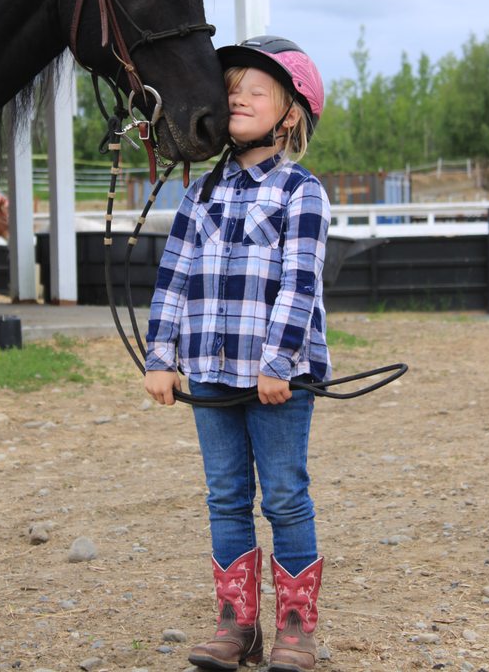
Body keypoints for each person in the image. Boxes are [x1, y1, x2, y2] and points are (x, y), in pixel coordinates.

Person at [144, 35, 330, 672]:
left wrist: (279, 363)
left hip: (276, 378)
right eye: (232, 91)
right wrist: (159, 357)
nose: (239, 99)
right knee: (225, 496)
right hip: (209, 371)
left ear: (290, 113)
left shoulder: (299, 193)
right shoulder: (198, 196)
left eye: (257, 91)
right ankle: (235, 624)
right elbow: (173, 276)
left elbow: (300, 282)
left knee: (283, 495)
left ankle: (297, 628)